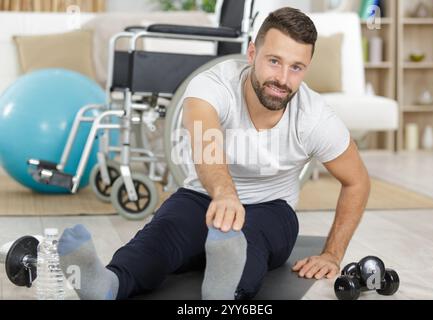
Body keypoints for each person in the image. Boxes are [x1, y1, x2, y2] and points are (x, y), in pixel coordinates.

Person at [57, 7, 370, 300]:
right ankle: (107, 282)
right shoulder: (212, 85)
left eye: (296, 67)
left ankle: (224, 290)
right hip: (203, 196)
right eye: (274, 61)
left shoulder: (315, 117)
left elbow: (357, 181)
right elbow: (207, 145)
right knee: (164, 234)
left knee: (249, 241)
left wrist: (332, 254)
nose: (283, 79)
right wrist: (223, 194)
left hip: (271, 208)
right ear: (252, 53)